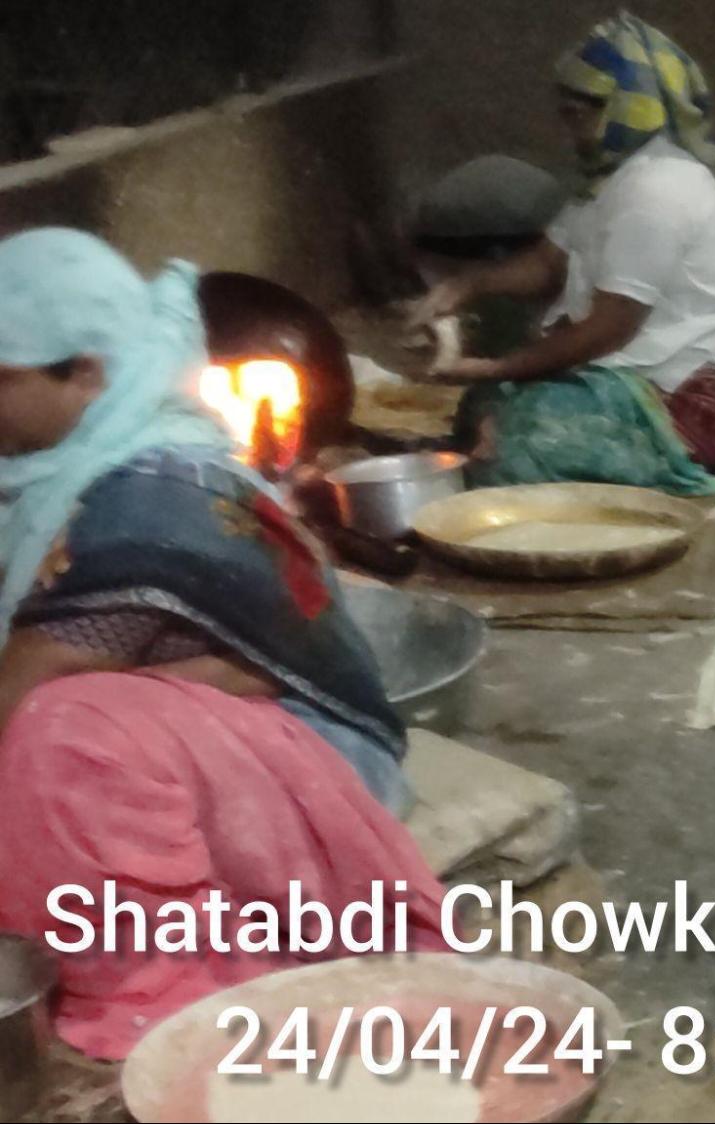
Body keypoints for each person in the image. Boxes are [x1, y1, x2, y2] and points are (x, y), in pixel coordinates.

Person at [0, 228, 445, 1059]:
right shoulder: (93, 449)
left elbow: (19, 688)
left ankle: (159, 992)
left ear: (86, 372)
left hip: (317, 778)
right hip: (214, 743)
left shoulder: (141, 506)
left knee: (61, 732)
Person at [409, 14, 715, 489]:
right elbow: (548, 263)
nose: (570, 132)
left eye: (578, 117)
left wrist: (499, 365)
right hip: (620, 372)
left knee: (509, 449)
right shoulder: (610, 181)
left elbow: (608, 329)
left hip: (677, 391)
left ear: (626, 110)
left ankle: (698, 462)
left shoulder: (659, 192)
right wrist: (466, 285)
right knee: (481, 408)